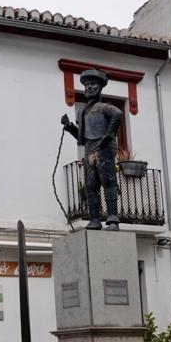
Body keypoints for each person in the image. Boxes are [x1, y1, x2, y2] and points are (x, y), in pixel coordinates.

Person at [60, 69, 122, 230]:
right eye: (86, 84)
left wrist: (109, 134)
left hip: (104, 148)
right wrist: (69, 126)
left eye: (93, 84)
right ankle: (94, 219)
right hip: (89, 150)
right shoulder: (82, 112)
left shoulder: (104, 107)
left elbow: (118, 114)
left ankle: (113, 219)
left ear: (100, 87)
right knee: (90, 185)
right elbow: (82, 138)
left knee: (108, 181)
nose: (89, 87)